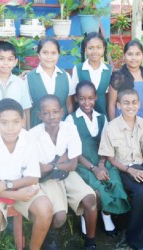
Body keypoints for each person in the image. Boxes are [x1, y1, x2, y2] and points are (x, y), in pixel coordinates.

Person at [0, 98, 52, 250]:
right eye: (4, 122)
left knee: (45, 208)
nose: (10, 128)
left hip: (17, 187)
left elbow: (33, 177)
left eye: (15, 121)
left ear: (22, 121)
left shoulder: (29, 139)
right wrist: (12, 194)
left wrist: (5, 185)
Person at [99, 89, 143, 250]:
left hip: (141, 167)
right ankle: (137, 239)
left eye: (134, 102)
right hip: (122, 169)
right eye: (126, 102)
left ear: (139, 103)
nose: (131, 106)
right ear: (118, 105)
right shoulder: (111, 127)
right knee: (141, 193)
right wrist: (130, 171)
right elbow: (110, 158)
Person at [29, 95, 98, 250]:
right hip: (47, 179)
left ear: (62, 112)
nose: (51, 116)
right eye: (46, 113)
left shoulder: (69, 128)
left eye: (55, 111)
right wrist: (60, 161)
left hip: (67, 173)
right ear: (39, 115)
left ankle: (90, 240)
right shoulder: (32, 135)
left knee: (90, 199)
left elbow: (73, 164)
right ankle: (48, 232)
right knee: (59, 217)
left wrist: (51, 165)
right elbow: (38, 169)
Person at [65, 81, 130, 237]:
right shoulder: (71, 120)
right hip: (83, 163)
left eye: (90, 98)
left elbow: (106, 144)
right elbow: (74, 152)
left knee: (114, 182)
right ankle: (84, 216)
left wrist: (101, 164)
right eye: (82, 99)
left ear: (96, 98)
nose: (87, 103)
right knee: (97, 188)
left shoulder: (102, 117)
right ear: (76, 99)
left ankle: (106, 215)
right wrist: (94, 169)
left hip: (102, 160)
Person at [25, 37, 75, 129]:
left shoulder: (65, 76)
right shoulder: (29, 78)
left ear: (58, 55)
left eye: (53, 53)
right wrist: (27, 132)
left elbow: (69, 104)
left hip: (61, 127)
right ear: (38, 55)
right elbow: (27, 109)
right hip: (37, 127)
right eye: (45, 53)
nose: (49, 57)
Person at [0, 41, 31, 131]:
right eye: (1, 59)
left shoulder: (20, 83)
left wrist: (27, 131)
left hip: (16, 130)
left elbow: (26, 109)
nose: (5, 63)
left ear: (15, 62)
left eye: (10, 59)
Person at [108, 40, 143, 122]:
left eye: (137, 54)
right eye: (130, 54)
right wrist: (112, 126)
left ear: (142, 56)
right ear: (124, 56)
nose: (134, 58)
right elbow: (111, 104)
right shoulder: (118, 76)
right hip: (123, 121)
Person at [71, 32, 112, 115]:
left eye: (98, 47)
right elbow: (73, 95)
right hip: (82, 116)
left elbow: (109, 98)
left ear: (104, 49)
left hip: (102, 115)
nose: (95, 51)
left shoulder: (109, 70)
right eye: (90, 48)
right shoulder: (78, 69)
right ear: (85, 49)